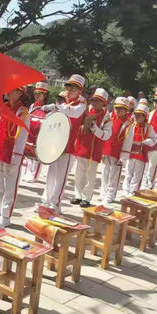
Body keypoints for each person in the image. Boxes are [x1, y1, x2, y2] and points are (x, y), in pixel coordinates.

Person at [37, 74, 87, 214]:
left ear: (80, 91)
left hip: (69, 145)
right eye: (68, 87)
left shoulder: (81, 104)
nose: (69, 90)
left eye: (73, 88)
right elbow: (48, 112)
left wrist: (57, 105)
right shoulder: (64, 102)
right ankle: (46, 200)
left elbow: (73, 113)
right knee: (51, 174)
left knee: (61, 176)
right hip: (56, 142)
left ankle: (55, 203)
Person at [0, 87, 30, 227]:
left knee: (10, 187)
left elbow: (21, 137)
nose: (8, 91)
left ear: (19, 93)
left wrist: (16, 157)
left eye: (12, 90)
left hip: (11, 154)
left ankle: (5, 216)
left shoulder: (22, 112)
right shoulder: (3, 107)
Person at [71, 88, 112, 207]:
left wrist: (94, 128)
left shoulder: (106, 117)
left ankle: (86, 198)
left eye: (97, 101)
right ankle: (77, 195)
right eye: (93, 100)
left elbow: (106, 135)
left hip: (94, 150)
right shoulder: (85, 110)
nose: (94, 102)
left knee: (90, 175)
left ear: (104, 103)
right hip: (81, 146)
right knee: (78, 174)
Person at [100, 97, 133, 206]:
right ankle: (104, 192)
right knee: (105, 171)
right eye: (117, 108)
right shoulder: (109, 117)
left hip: (119, 151)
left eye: (122, 109)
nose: (119, 110)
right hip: (107, 148)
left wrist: (123, 156)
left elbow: (128, 141)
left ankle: (111, 194)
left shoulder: (128, 123)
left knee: (114, 173)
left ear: (126, 110)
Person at [123, 104, 157, 197]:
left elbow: (155, 139)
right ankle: (126, 189)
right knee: (128, 172)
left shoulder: (149, 127)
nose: (136, 117)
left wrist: (148, 141)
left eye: (139, 115)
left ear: (144, 116)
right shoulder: (130, 125)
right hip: (130, 152)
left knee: (137, 173)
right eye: (136, 114)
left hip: (141, 153)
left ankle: (133, 191)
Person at [23, 81, 49, 183]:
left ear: (45, 95)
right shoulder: (32, 105)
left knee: (37, 155)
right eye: (35, 93)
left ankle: (35, 175)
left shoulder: (47, 108)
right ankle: (27, 173)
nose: (37, 96)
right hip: (30, 132)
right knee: (28, 153)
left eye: (40, 93)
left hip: (39, 134)